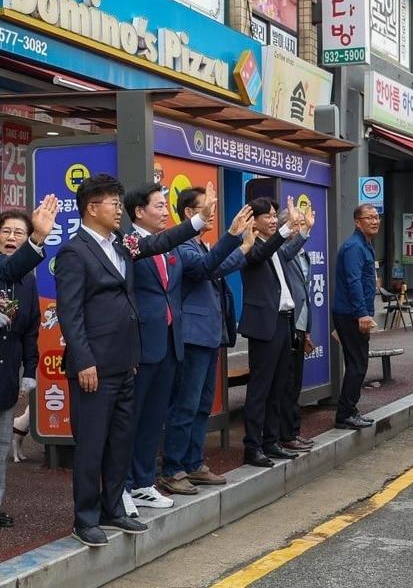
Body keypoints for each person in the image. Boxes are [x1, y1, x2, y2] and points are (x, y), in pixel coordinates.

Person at [55, 174, 212, 548]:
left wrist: (199, 221)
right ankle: (86, 518)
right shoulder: (75, 253)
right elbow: (70, 313)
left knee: (120, 441)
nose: (118, 211)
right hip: (94, 367)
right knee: (92, 445)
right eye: (112, 204)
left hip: (127, 361)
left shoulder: (121, 245)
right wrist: (84, 361)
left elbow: (159, 241)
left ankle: (113, 508)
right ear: (93, 208)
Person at [156, 189, 253, 496]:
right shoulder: (180, 241)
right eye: (206, 208)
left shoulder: (198, 242)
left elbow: (215, 267)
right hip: (192, 335)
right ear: (188, 213)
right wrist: (237, 242)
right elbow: (206, 269)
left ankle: (194, 462)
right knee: (185, 404)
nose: (212, 213)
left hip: (209, 334)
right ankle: (173, 468)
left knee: (200, 405)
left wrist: (238, 244)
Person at [0, 201, 60, 528]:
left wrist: (30, 369)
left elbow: (31, 327)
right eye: (6, 231)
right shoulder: (9, 269)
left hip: (7, 375)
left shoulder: (27, 280)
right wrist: (38, 237)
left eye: (18, 233)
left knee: (0, 448)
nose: (11, 237)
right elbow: (7, 269)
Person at [236, 197, 307, 468]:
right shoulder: (252, 245)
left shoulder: (275, 247)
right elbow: (259, 255)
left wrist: (300, 229)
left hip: (283, 322)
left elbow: (286, 252)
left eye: (276, 215)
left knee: (279, 386)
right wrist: (287, 228)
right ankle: (252, 447)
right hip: (264, 325)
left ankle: (271, 441)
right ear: (254, 220)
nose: (274, 219)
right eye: (268, 215)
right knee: (260, 389)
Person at [331, 204, 381, 430]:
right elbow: (353, 282)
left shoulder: (365, 245)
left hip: (355, 313)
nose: (375, 221)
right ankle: (345, 414)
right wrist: (362, 314)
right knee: (358, 364)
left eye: (376, 217)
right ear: (357, 221)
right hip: (351, 314)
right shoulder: (354, 247)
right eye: (369, 218)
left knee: (358, 363)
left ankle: (350, 410)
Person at [276, 206, 317, 453]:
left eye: (303, 222)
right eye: (297, 222)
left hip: (300, 325)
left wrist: (307, 330)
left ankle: (293, 431)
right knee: (286, 382)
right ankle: (285, 433)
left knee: (296, 383)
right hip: (286, 324)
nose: (302, 225)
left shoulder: (303, 254)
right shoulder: (281, 250)